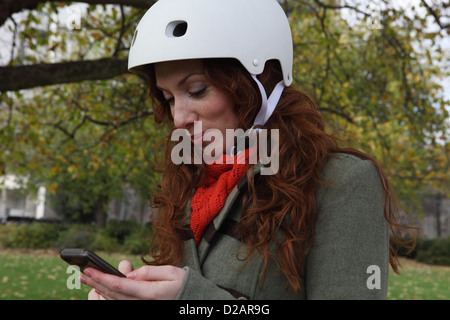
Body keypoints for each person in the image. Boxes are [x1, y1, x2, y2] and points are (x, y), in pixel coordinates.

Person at [81, 0, 416, 300]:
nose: (178, 118)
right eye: (168, 99)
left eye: (196, 90)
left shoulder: (342, 181)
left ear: (258, 84)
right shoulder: (190, 183)